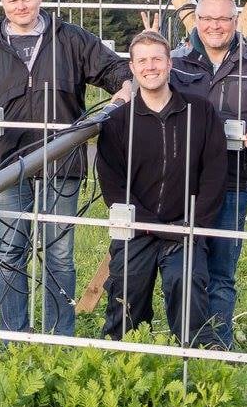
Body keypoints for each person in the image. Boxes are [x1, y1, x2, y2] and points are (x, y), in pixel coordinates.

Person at [0, 0, 131, 336]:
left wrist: (127, 85)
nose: (21, 6)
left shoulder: (71, 39)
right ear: (2, 2)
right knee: (10, 253)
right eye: (13, 0)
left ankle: (58, 337)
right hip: (6, 167)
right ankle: (11, 337)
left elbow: (114, 68)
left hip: (62, 163)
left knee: (59, 254)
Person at [169, 0, 247, 348]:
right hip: (181, 184)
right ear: (196, 20)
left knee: (222, 271)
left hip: (233, 183)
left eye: (222, 19)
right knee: (184, 268)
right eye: (207, 18)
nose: (214, 26)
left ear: (235, 21)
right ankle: (188, 342)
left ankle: (218, 348)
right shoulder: (174, 62)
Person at [96, 30, 226, 347]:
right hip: (136, 229)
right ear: (132, 67)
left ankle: (194, 357)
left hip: (186, 227)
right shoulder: (117, 122)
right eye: (142, 61)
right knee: (126, 294)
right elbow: (113, 187)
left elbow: (214, 175)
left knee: (187, 283)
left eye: (157, 59)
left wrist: (193, 224)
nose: (150, 67)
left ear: (169, 64)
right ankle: (124, 357)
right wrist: (153, 226)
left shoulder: (200, 112)